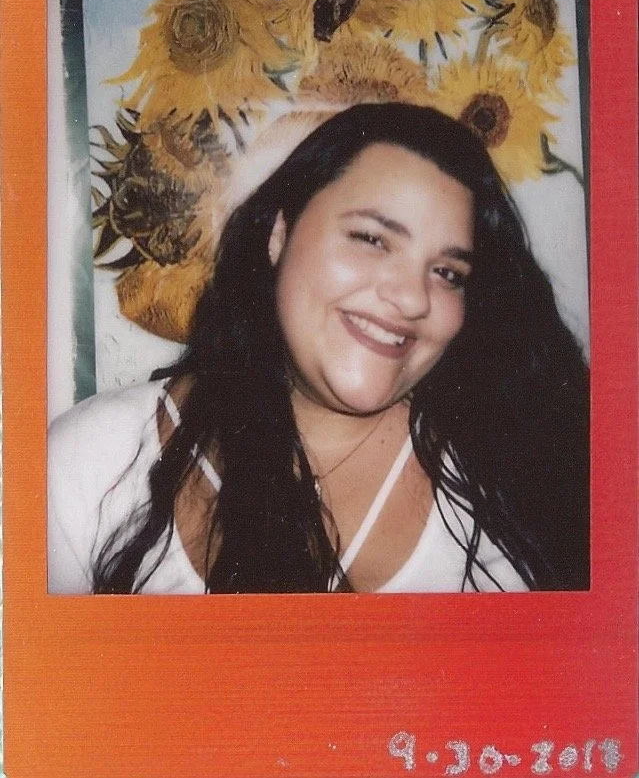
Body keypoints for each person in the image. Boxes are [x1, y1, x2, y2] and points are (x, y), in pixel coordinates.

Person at [48, 102, 589, 594]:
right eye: (371, 239)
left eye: (447, 272)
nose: (411, 298)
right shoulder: (91, 464)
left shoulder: (520, 472)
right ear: (279, 234)